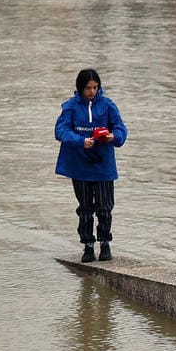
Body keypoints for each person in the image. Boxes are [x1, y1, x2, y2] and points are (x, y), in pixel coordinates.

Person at [54, 67, 128, 262]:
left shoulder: (108, 105)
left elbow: (121, 129)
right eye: (88, 88)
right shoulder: (70, 107)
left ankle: (105, 243)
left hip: (103, 166)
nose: (92, 92)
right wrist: (81, 141)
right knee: (85, 208)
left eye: (95, 87)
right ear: (80, 88)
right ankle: (88, 246)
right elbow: (60, 131)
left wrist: (113, 137)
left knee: (105, 207)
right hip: (80, 166)